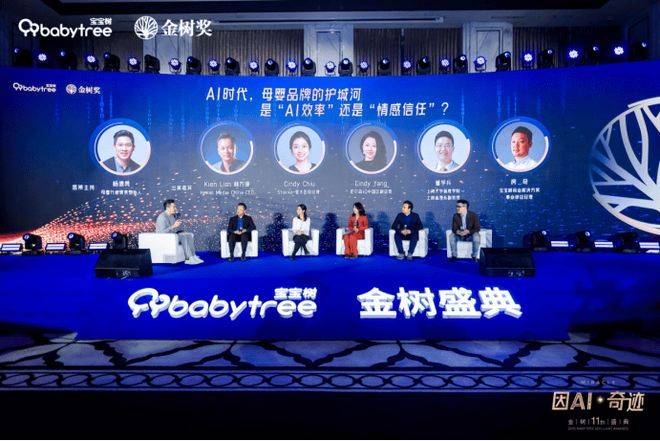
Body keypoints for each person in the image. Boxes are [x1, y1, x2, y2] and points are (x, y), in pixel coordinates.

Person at [155, 199, 203, 265]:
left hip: (172, 236)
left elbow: (173, 230)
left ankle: (193, 256)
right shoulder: (162, 217)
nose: (175, 209)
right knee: (182, 236)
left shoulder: (172, 216)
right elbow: (161, 233)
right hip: (164, 238)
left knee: (188, 235)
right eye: (174, 207)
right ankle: (188, 258)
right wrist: (173, 226)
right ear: (168, 208)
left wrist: (178, 230)